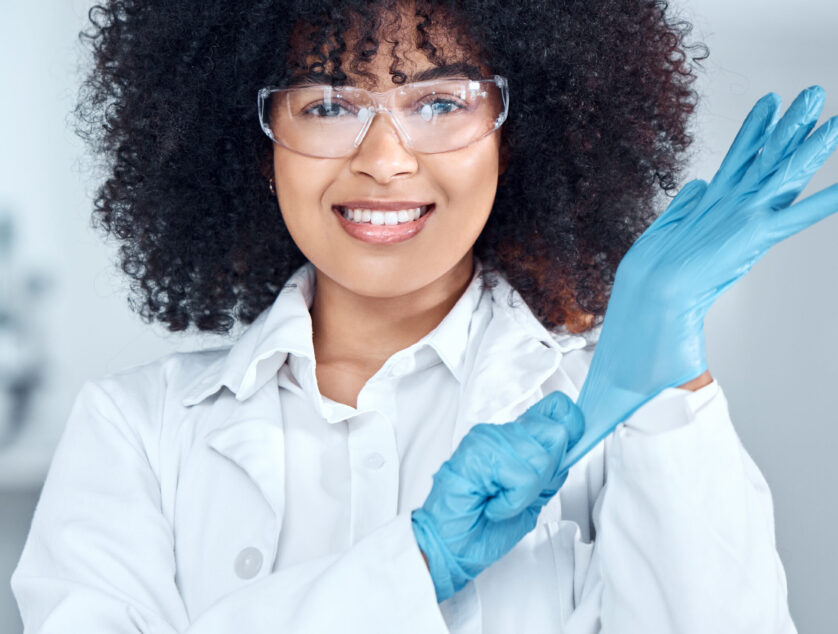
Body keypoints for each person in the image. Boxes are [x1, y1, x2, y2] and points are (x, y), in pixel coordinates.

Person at [12, 0, 837, 631]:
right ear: (255, 140)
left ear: (517, 134)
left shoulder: (619, 413)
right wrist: (414, 564)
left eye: (441, 102)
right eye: (329, 104)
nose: (384, 160)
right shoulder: (139, 435)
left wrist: (666, 394)